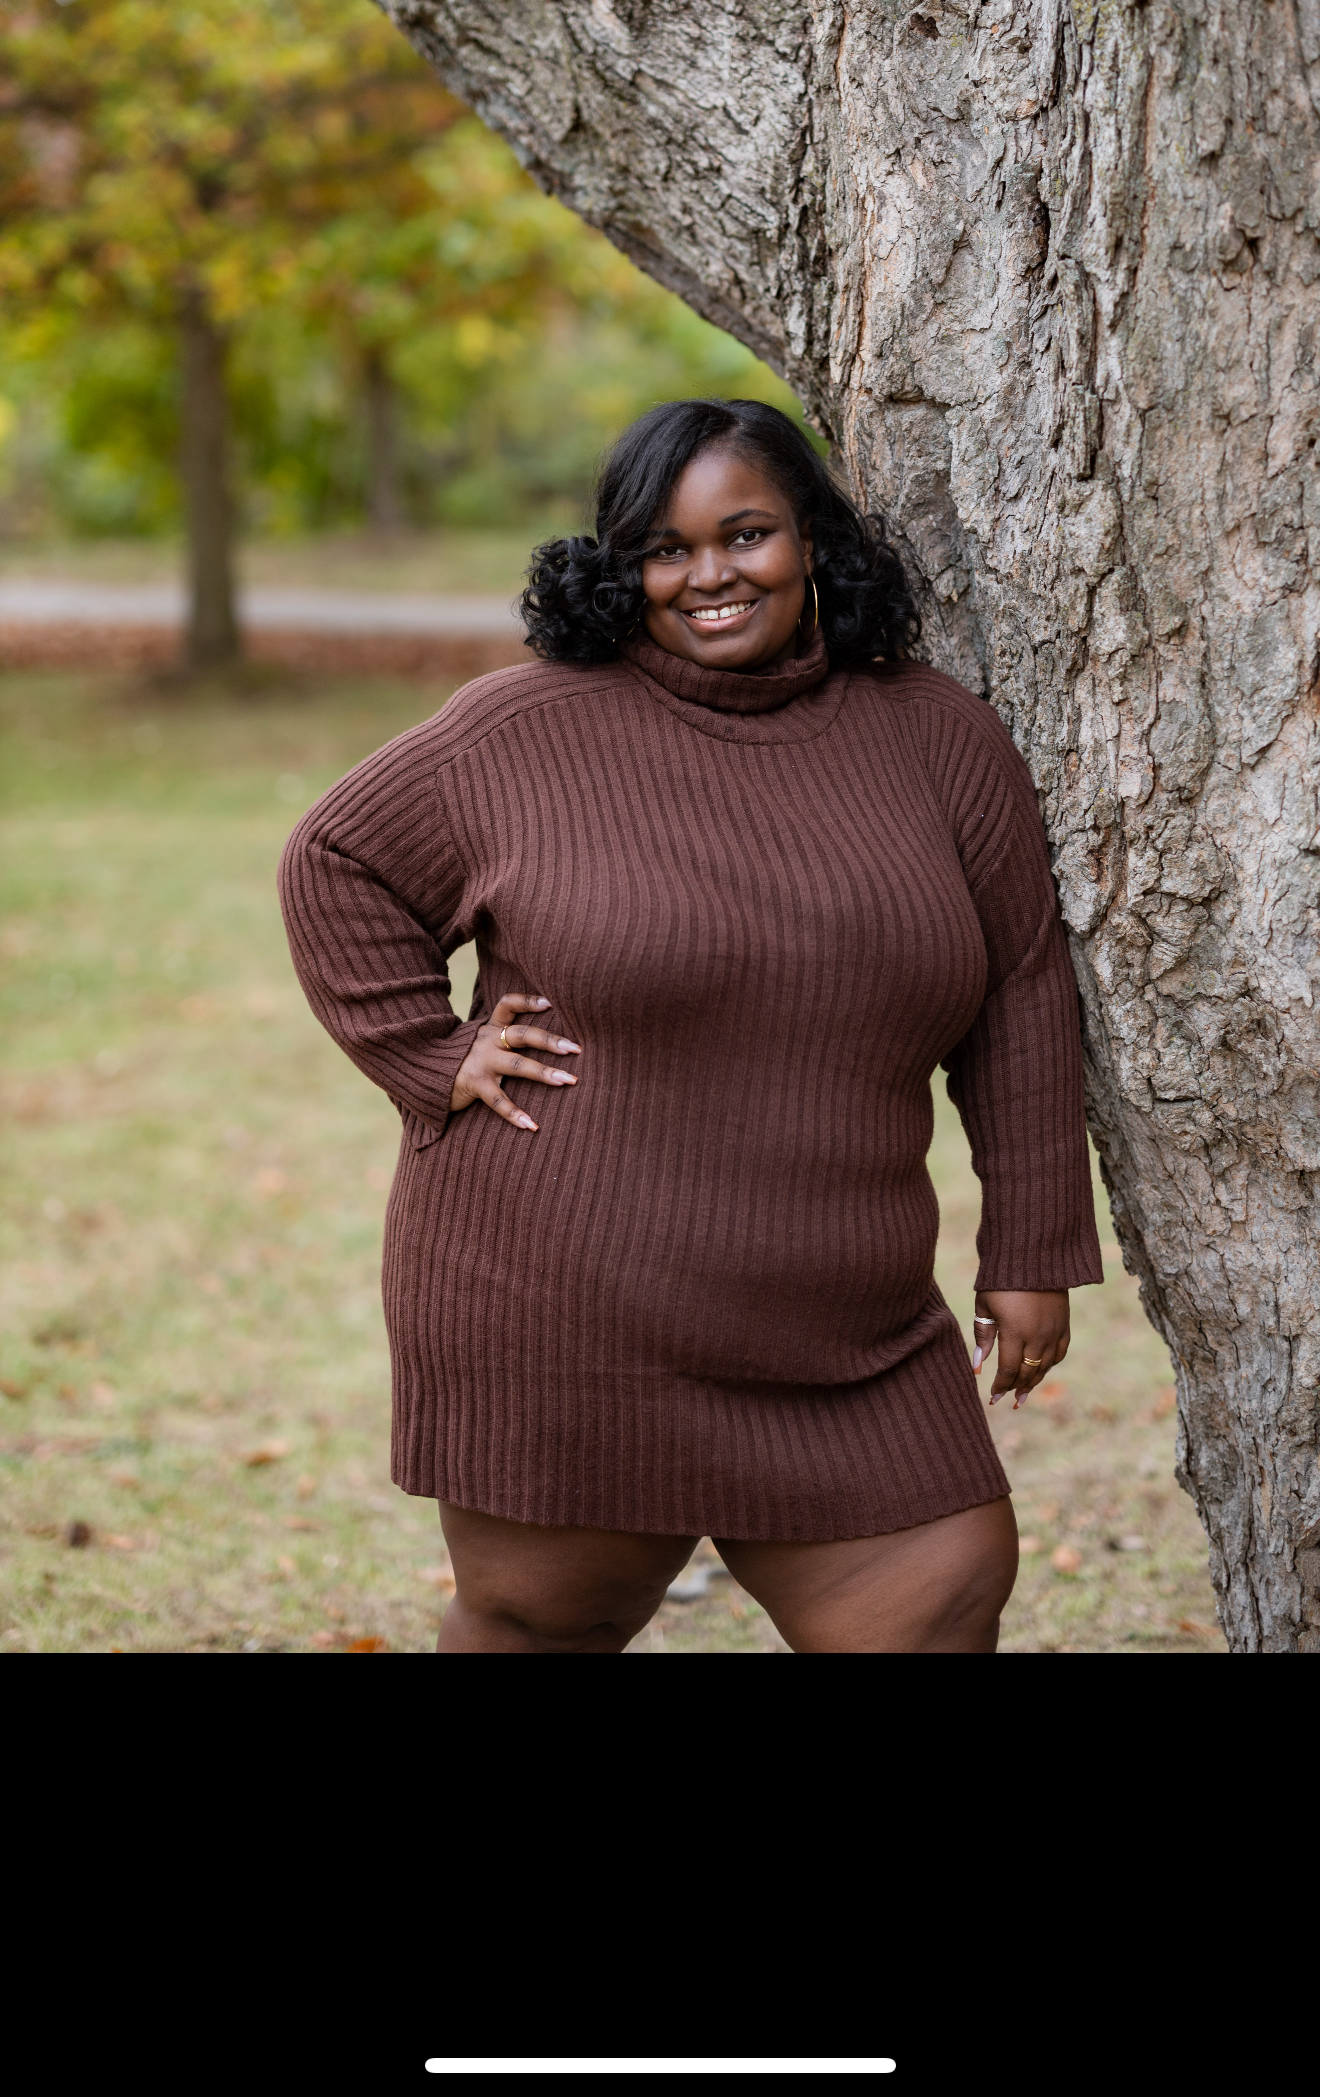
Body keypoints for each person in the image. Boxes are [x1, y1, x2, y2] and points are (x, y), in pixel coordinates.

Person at [280, 399, 1100, 1653]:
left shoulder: (937, 739)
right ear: (624, 569)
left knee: (941, 1581)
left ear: (815, 542)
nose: (710, 575)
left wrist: (1031, 1248)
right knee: (540, 1620)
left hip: (851, 1328)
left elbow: (1024, 991)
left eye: (748, 533)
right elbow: (335, 860)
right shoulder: (527, 730)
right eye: (666, 548)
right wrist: (428, 1055)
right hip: (563, 1304)